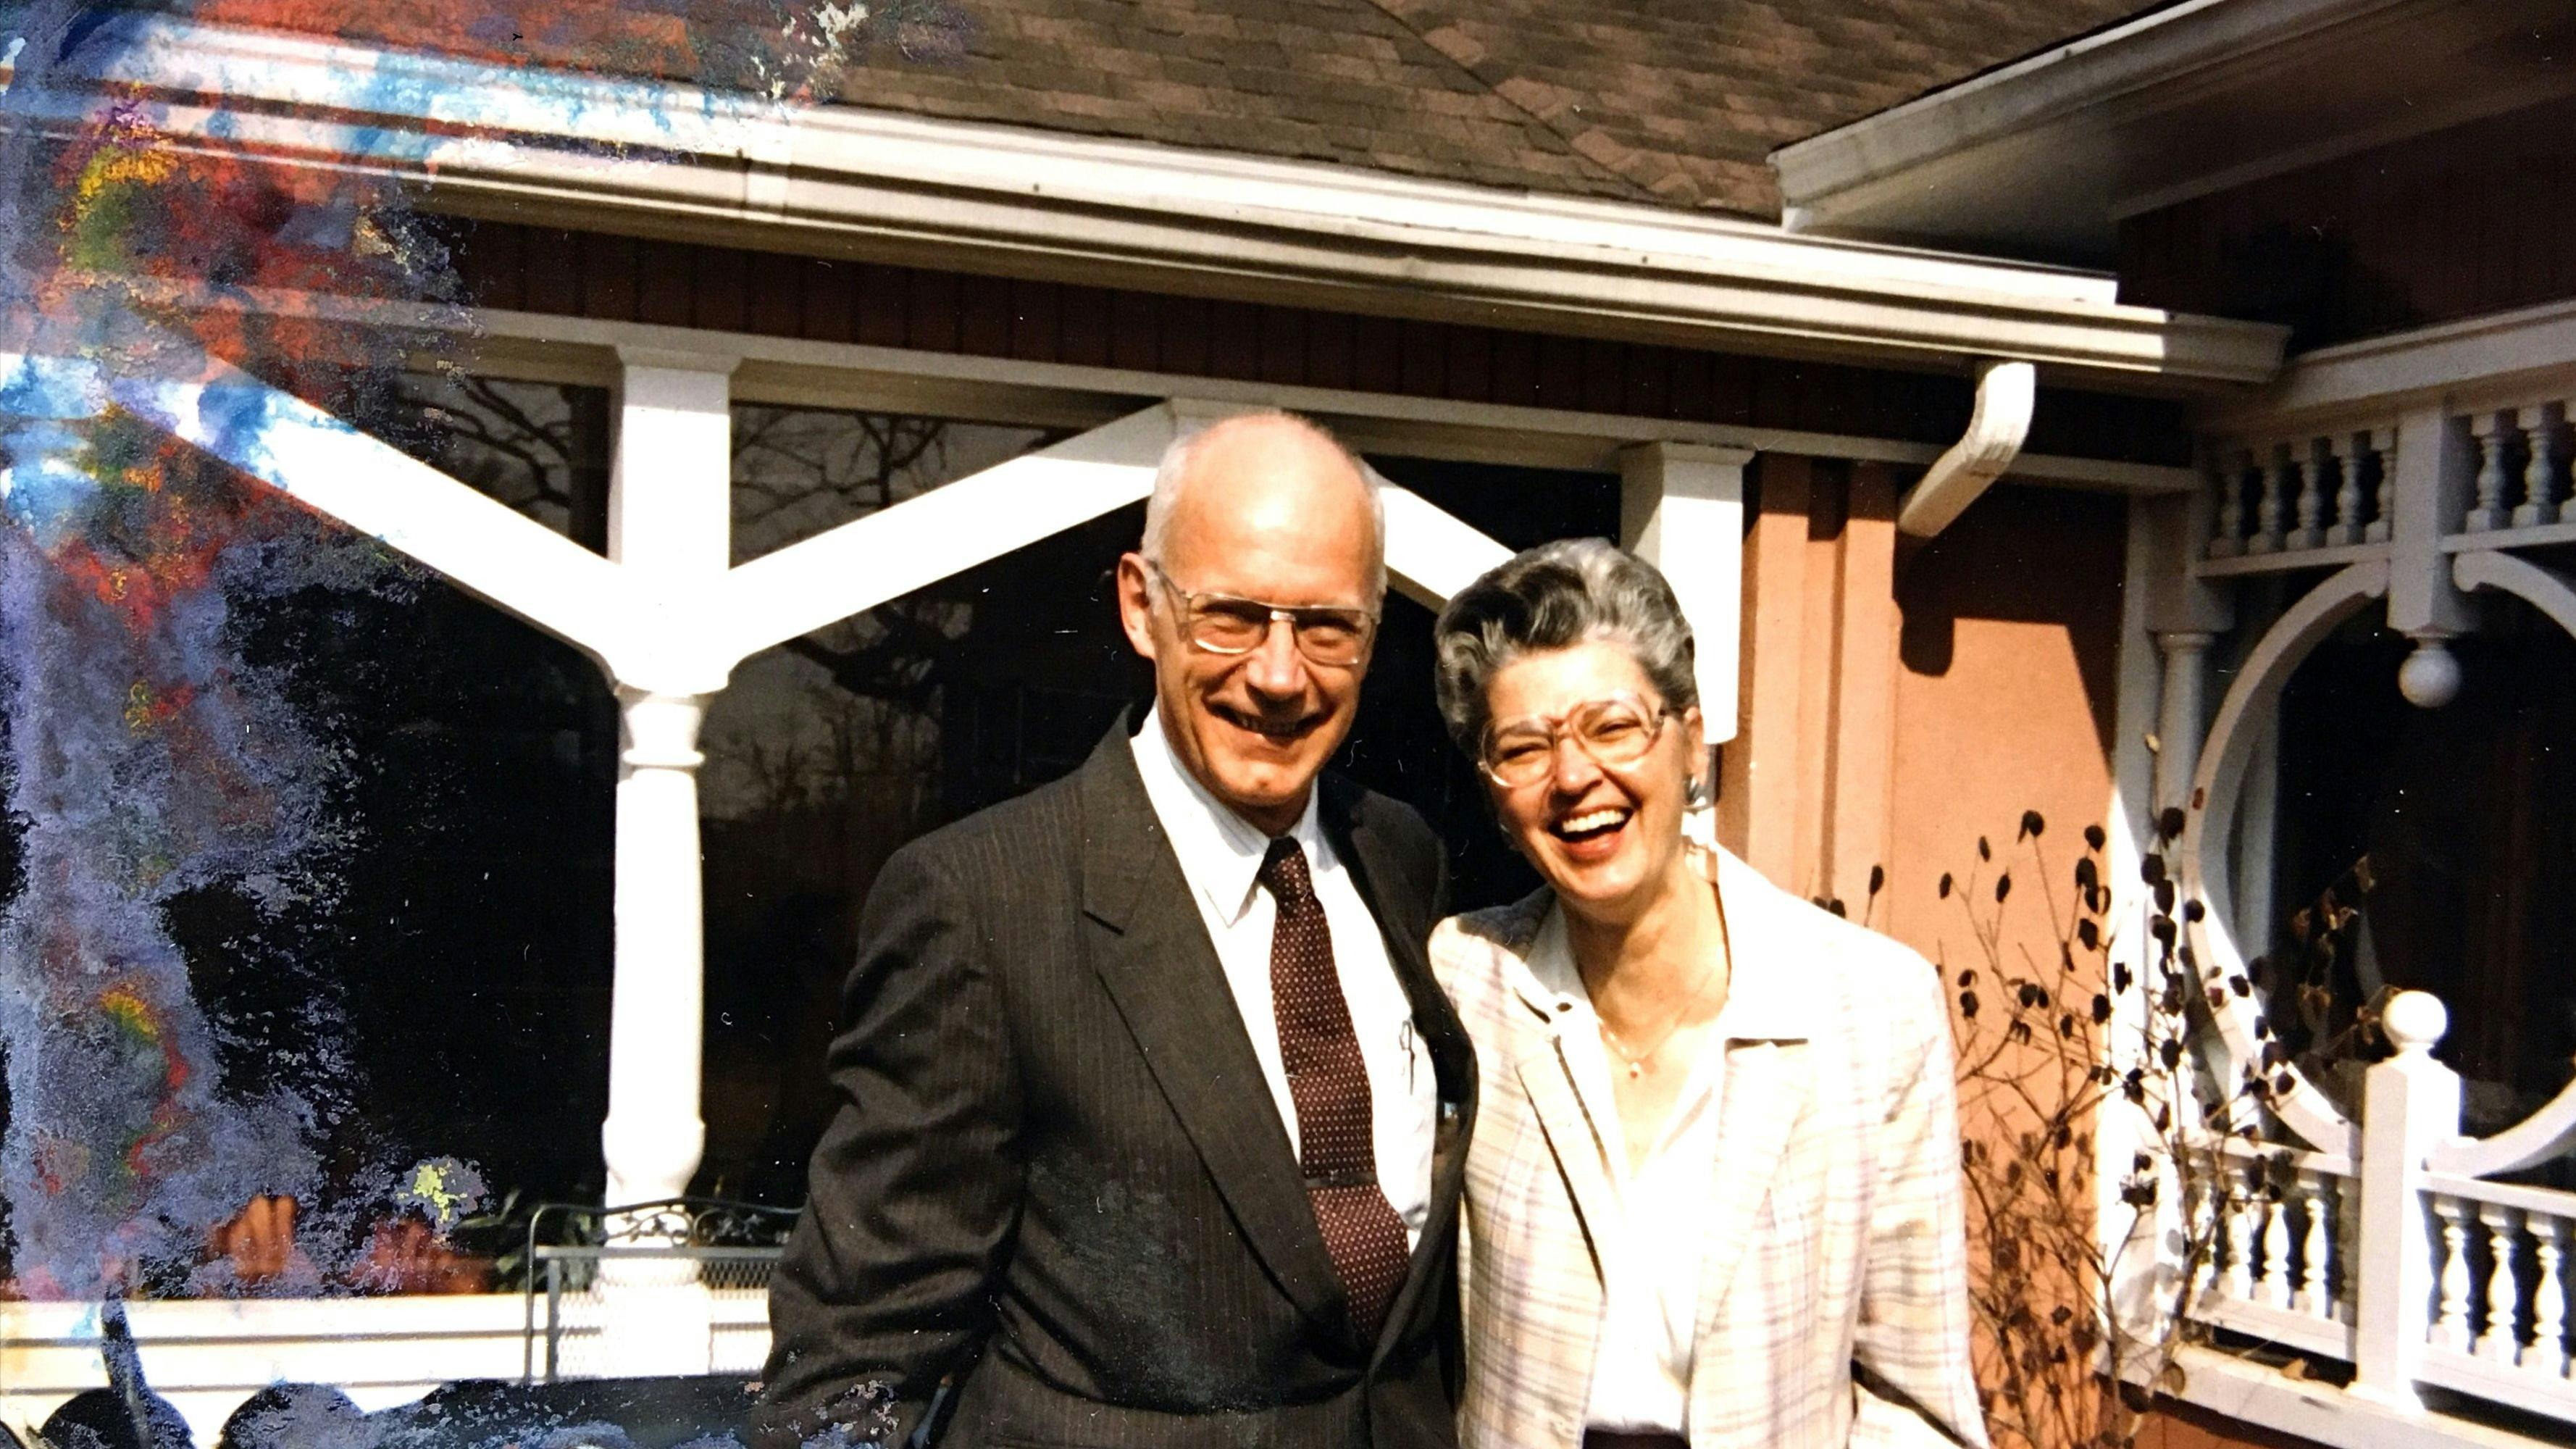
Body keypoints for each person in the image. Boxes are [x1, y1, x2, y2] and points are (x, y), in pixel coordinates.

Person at [753, 412, 1478, 1449]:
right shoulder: (984, 904)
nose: (1280, 675)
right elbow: (852, 1360)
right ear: (1142, 607)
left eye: (1326, 626)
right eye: (1231, 616)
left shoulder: (1401, 857)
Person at [1426, 539, 1986, 1449]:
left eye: (1613, 727)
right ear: (1495, 795)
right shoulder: (1467, 980)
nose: (1573, 778)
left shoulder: (1869, 1008)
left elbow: (1915, 1400)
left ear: (1690, 737)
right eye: (1524, 748)